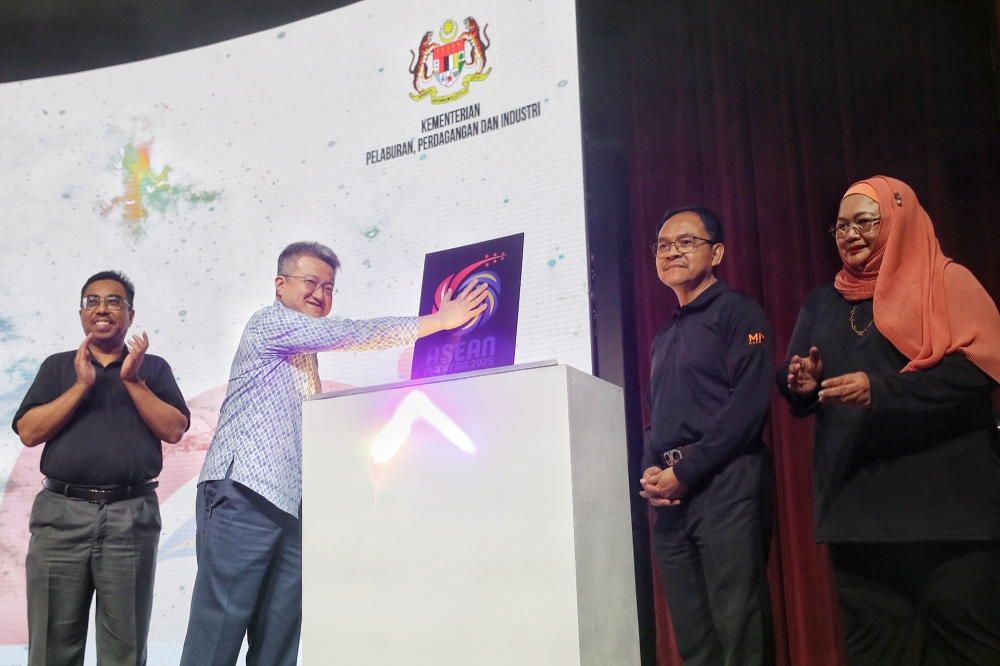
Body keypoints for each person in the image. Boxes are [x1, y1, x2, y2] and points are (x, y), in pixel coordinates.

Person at [179, 241, 489, 666]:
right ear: (280, 284)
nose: (320, 294)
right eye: (310, 282)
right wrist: (440, 321)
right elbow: (351, 334)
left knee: (279, 637)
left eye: (328, 287)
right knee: (219, 631)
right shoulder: (269, 323)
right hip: (244, 494)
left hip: (293, 506)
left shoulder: (302, 351)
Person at [777, 176, 1000, 665]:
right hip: (857, 514)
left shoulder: (945, 282)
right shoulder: (822, 301)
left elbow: (979, 370)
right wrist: (801, 385)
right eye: (840, 227)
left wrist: (880, 390)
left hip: (949, 514)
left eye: (864, 222)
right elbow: (795, 383)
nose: (850, 234)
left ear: (898, 222)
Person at [12, 271, 191, 666]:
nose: (102, 308)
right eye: (91, 301)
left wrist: (133, 380)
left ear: (130, 315)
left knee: (124, 646)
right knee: (51, 645)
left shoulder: (152, 368)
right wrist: (81, 385)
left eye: (114, 301)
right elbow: (28, 432)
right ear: (81, 313)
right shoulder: (59, 367)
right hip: (61, 517)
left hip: (131, 516)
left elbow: (175, 429)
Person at [639, 207, 775, 666]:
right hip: (674, 499)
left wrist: (686, 471)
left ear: (716, 253)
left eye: (685, 242)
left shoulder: (739, 313)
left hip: (727, 484)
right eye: (663, 246)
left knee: (740, 631)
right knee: (695, 642)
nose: (671, 252)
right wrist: (651, 470)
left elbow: (747, 407)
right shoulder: (664, 334)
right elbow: (656, 416)